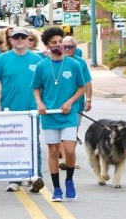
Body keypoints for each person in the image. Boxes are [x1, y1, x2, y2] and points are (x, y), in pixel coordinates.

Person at [32, 27, 85, 202]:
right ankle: (56, 189)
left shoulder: (74, 64)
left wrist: (71, 101)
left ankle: (69, 181)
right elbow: (36, 88)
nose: (58, 45)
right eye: (54, 43)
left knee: (69, 150)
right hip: (49, 115)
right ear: (47, 45)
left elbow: (82, 87)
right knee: (53, 151)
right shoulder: (41, 66)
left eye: (60, 42)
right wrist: (39, 103)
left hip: (68, 114)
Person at [0, 27, 44, 193]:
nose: (19, 39)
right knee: (14, 145)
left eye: (23, 37)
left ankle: (36, 176)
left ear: (28, 40)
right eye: (16, 37)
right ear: (11, 40)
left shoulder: (38, 59)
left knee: (34, 144)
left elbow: (45, 85)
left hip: (32, 110)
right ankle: (15, 179)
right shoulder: (2, 59)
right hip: (10, 109)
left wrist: (43, 104)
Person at [61, 36, 92, 170]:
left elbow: (87, 82)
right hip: (58, 103)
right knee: (60, 129)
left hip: (77, 103)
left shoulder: (80, 63)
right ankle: (65, 158)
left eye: (70, 47)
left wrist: (88, 99)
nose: (67, 49)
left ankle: (69, 158)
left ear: (75, 48)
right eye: (65, 46)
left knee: (73, 129)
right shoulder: (56, 60)